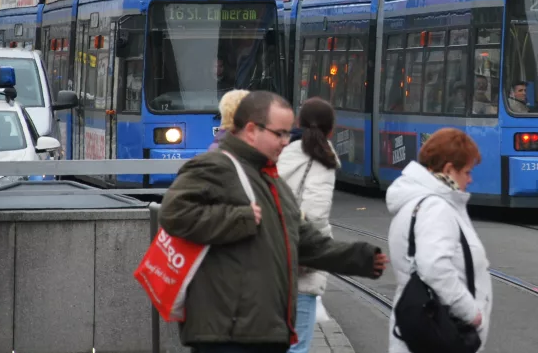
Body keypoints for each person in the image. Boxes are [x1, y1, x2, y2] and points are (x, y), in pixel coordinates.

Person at [159, 91, 389, 353]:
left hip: (264, 330)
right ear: (251, 130)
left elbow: (305, 240)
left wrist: (362, 258)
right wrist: (240, 218)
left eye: (288, 133)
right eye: (278, 133)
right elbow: (174, 212)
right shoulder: (216, 166)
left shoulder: (270, 177)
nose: (286, 142)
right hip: (227, 333)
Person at [386, 128, 493, 353]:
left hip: (425, 334)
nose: (470, 179)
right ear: (448, 170)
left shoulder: (418, 202)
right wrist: (471, 313)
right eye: (467, 171)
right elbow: (434, 267)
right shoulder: (435, 208)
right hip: (440, 334)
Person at [276, 97, 341, 353]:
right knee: (297, 345)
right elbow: (314, 216)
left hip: (272, 258)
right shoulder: (322, 160)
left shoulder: (283, 154)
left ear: (299, 124)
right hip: (300, 264)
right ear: (331, 129)